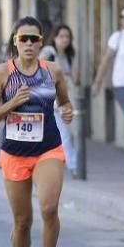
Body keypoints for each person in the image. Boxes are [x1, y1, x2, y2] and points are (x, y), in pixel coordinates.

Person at [0, 16, 73, 247]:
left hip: (48, 148)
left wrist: (68, 111)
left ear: (41, 42)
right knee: (22, 222)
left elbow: (64, 103)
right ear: (14, 42)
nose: (29, 44)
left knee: (48, 207)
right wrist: (11, 104)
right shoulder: (2, 74)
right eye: (24, 39)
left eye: (34, 39)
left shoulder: (53, 72)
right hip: (15, 153)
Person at [41, 24, 78, 177]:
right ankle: (73, 166)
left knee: (64, 134)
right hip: (48, 101)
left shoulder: (68, 56)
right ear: (54, 38)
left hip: (62, 100)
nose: (64, 40)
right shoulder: (48, 53)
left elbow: (76, 79)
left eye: (67, 37)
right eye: (61, 36)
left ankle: (70, 165)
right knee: (62, 134)